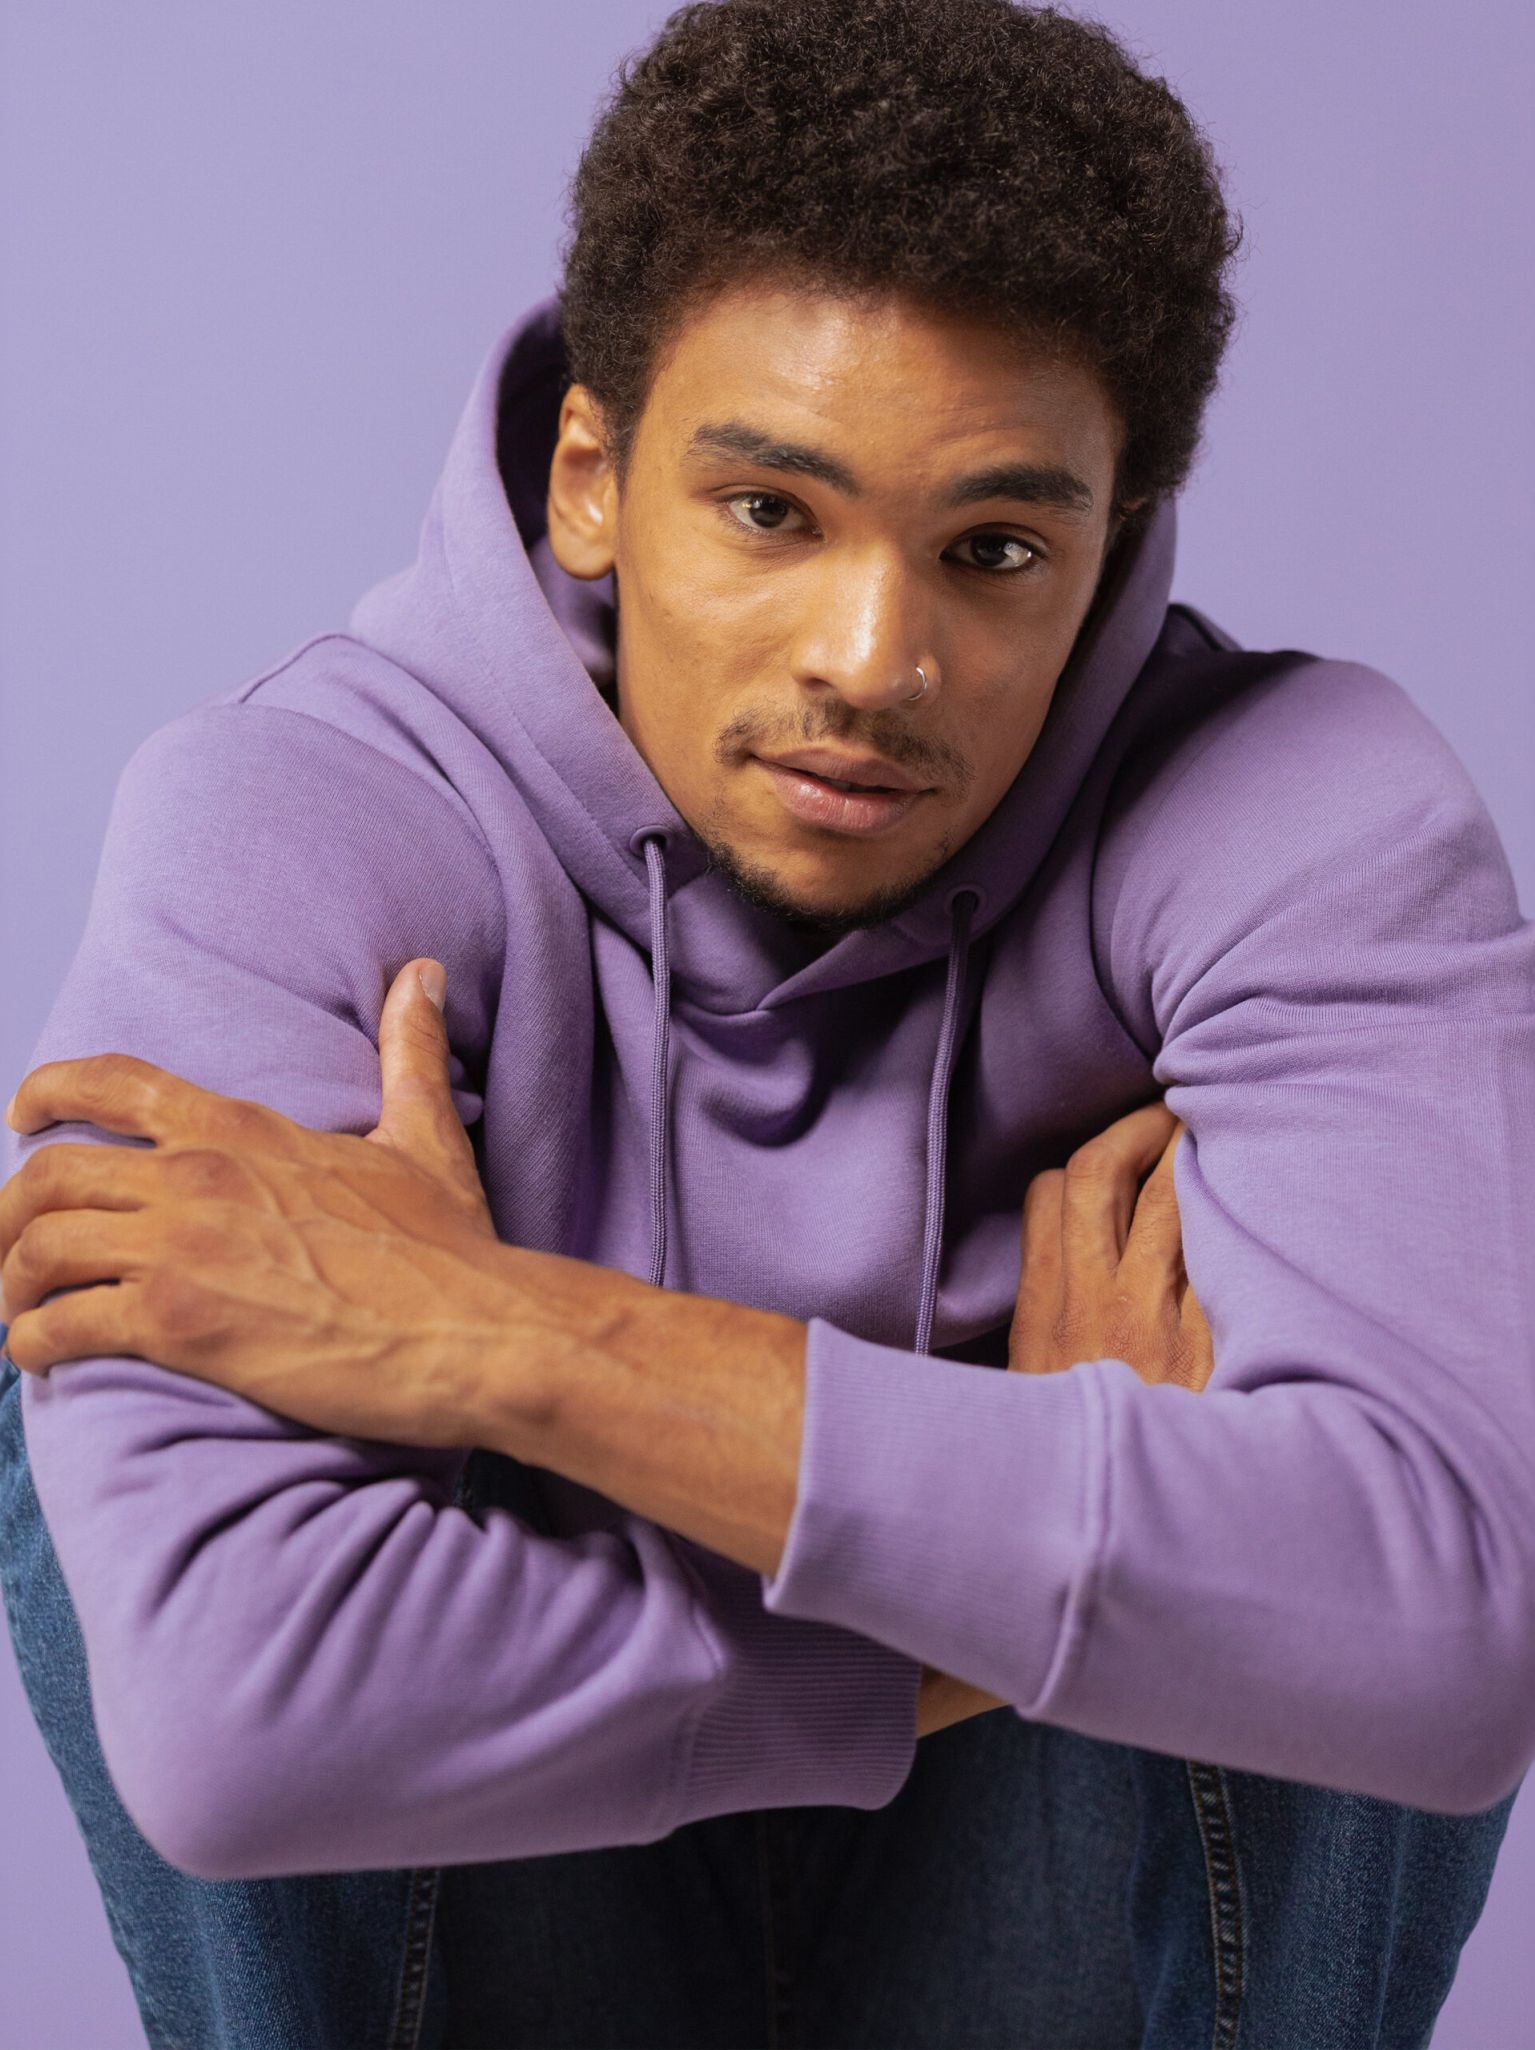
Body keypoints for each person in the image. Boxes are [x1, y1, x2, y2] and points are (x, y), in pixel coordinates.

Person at [1, 0, 1529, 2043]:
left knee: (1400, 1405)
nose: (872, 659)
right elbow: (234, 1724)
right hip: (523, 1865)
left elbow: (1451, 1627)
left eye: (995, 550)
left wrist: (504, 1334)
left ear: (1107, 552)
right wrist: (998, 1614)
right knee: (95, 1351)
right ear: (591, 479)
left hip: (1051, 1892)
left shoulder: (1300, 807)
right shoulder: (298, 813)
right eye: (771, 513)